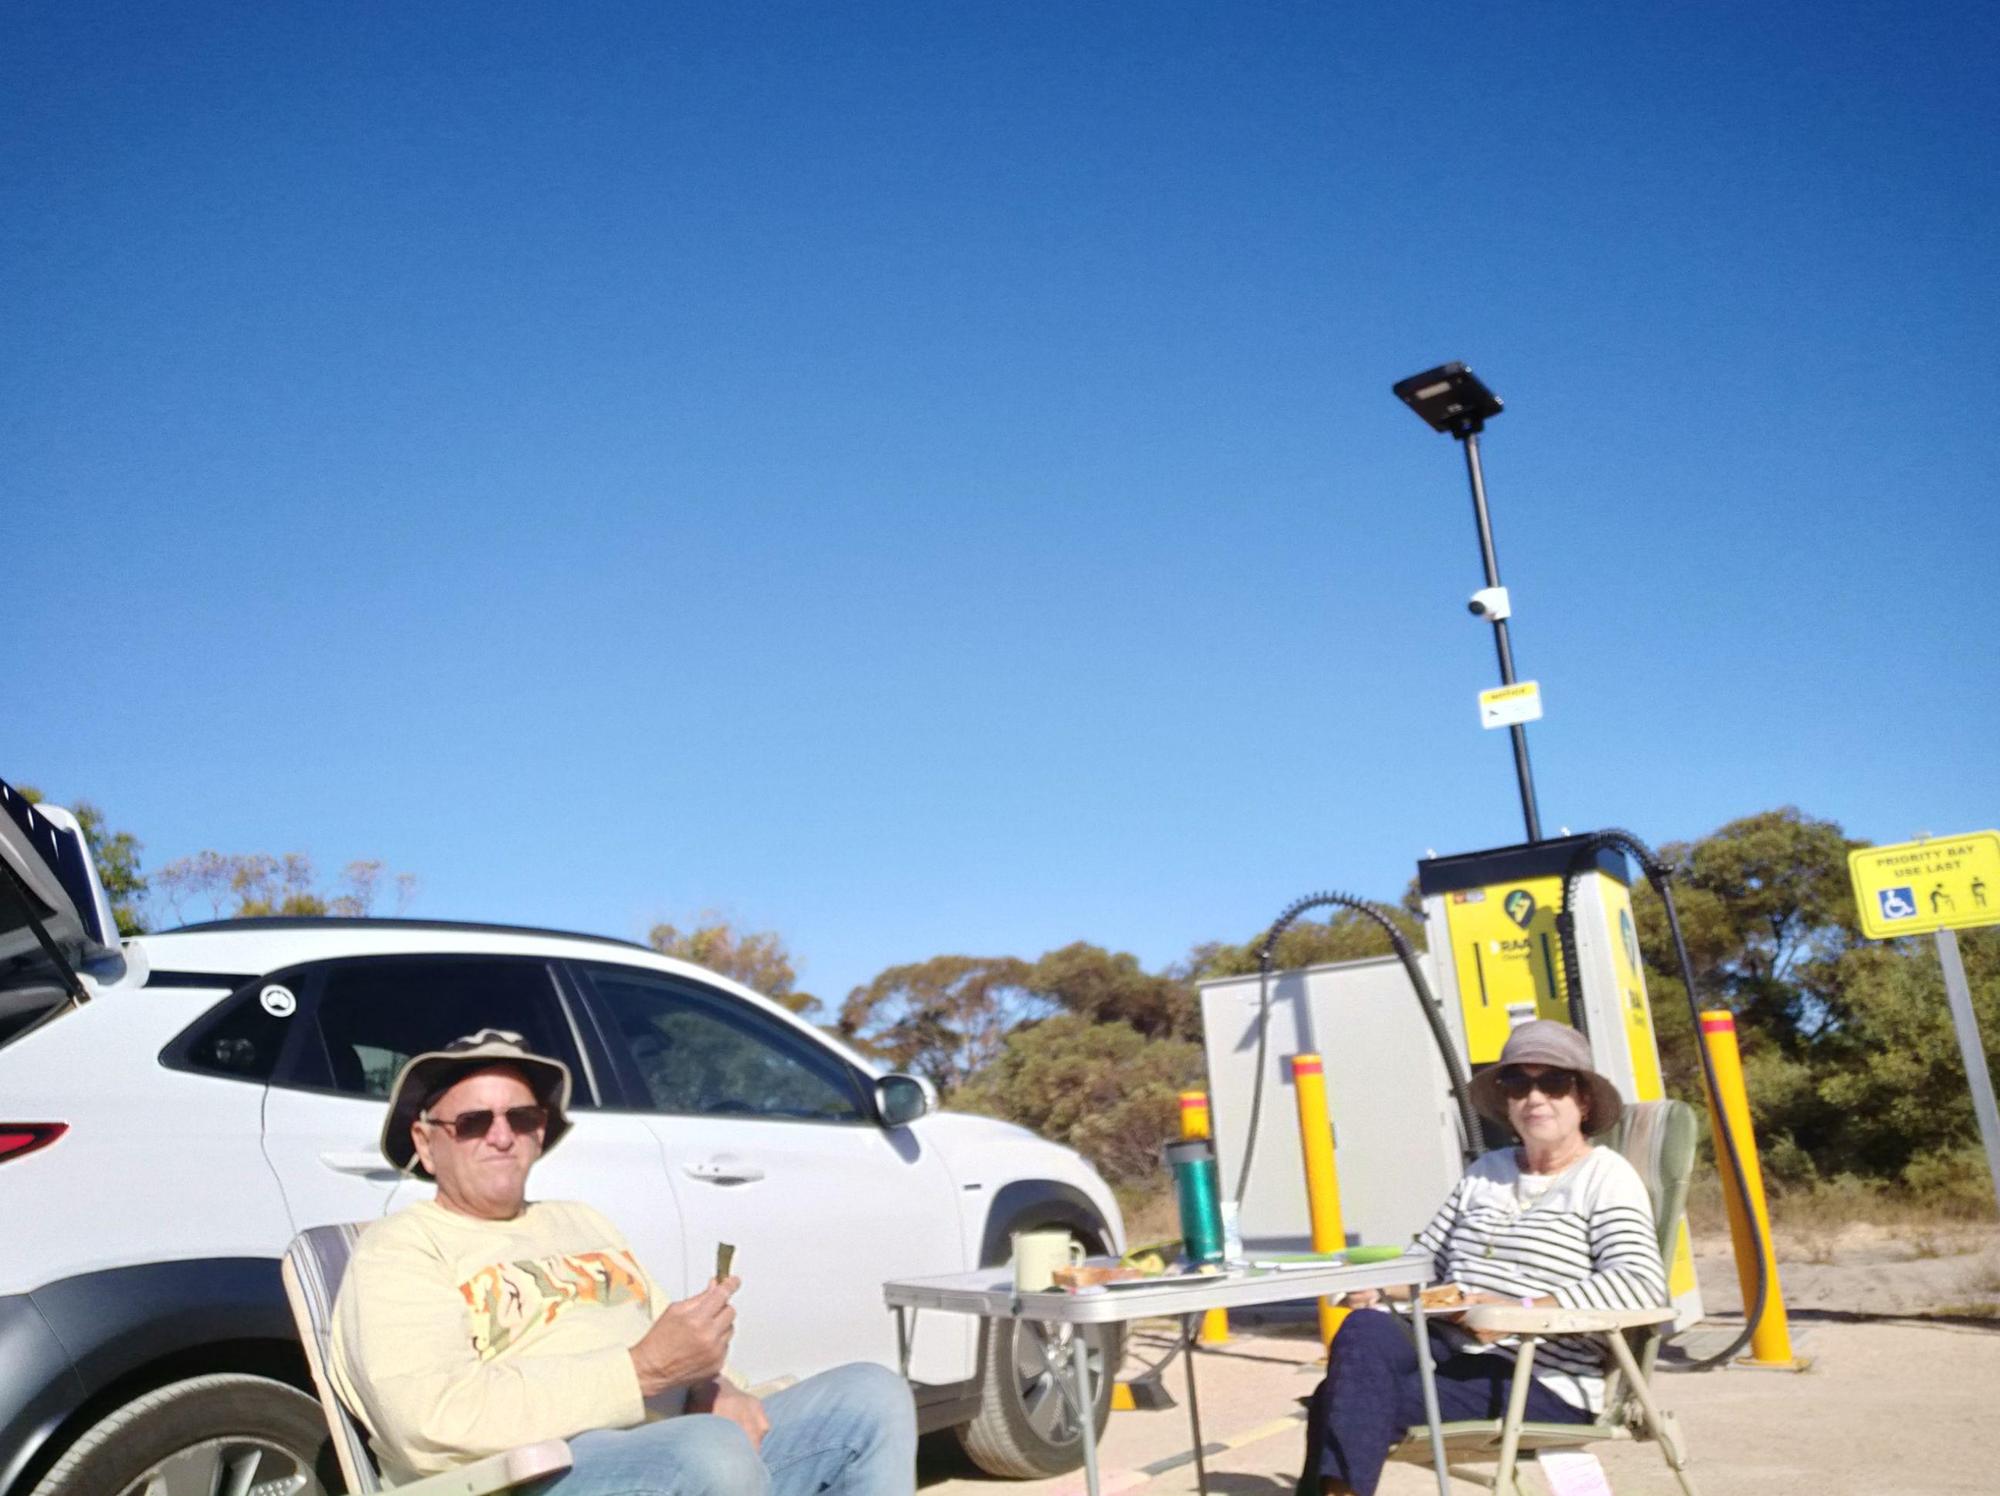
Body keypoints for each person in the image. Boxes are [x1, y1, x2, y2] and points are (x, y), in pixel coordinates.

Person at [329, 1030, 916, 1496]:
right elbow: (430, 1421)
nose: (501, 1136)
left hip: (684, 1449)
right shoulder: (400, 1250)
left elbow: (666, 1342)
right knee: (709, 1454)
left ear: (541, 1134)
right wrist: (640, 1375)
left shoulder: (582, 1222)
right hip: (530, 1476)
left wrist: (716, 1387)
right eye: (474, 1122)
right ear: (427, 1144)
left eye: (523, 1118)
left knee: (871, 1397)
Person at [1296, 1021, 1667, 1496]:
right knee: (1364, 1329)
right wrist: (1379, 1285)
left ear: (1584, 1101)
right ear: (1507, 1102)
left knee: (1340, 1398)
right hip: (1453, 1342)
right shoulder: (1484, 1172)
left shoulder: (1605, 1178)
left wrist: (1520, 1312)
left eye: (1553, 1082)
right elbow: (1426, 1257)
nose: (1535, 1098)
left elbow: (1639, 1284)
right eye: (1518, 1083)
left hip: (1543, 1374)